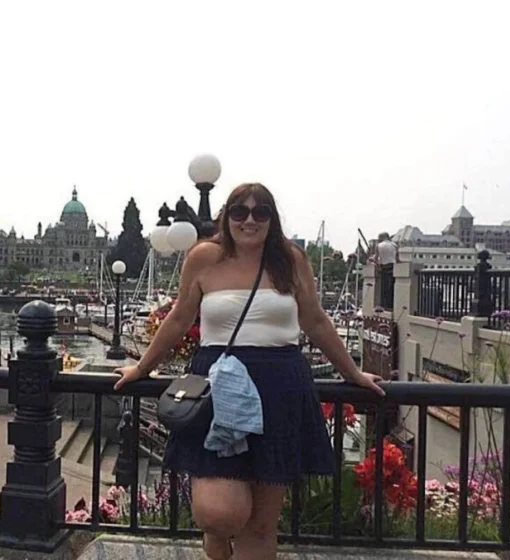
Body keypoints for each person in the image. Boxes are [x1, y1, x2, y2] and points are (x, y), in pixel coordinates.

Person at [114, 183, 385, 560]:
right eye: (240, 211)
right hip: (218, 386)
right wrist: (142, 368)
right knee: (219, 512)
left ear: (272, 220)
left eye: (261, 212)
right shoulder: (204, 258)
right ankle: (216, 538)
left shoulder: (291, 260)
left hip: (279, 387)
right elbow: (178, 319)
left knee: (261, 525)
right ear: (227, 216)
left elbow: (317, 322)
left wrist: (353, 373)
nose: (250, 220)